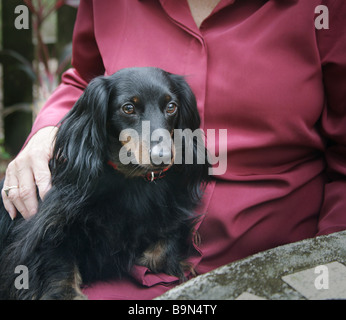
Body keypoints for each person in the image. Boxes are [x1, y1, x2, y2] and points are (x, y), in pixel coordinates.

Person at [2, 0, 346, 300]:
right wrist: (48, 128)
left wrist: (326, 269)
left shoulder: (323, 8)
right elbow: (85, 78)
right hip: (119, 266)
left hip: (272, 266)